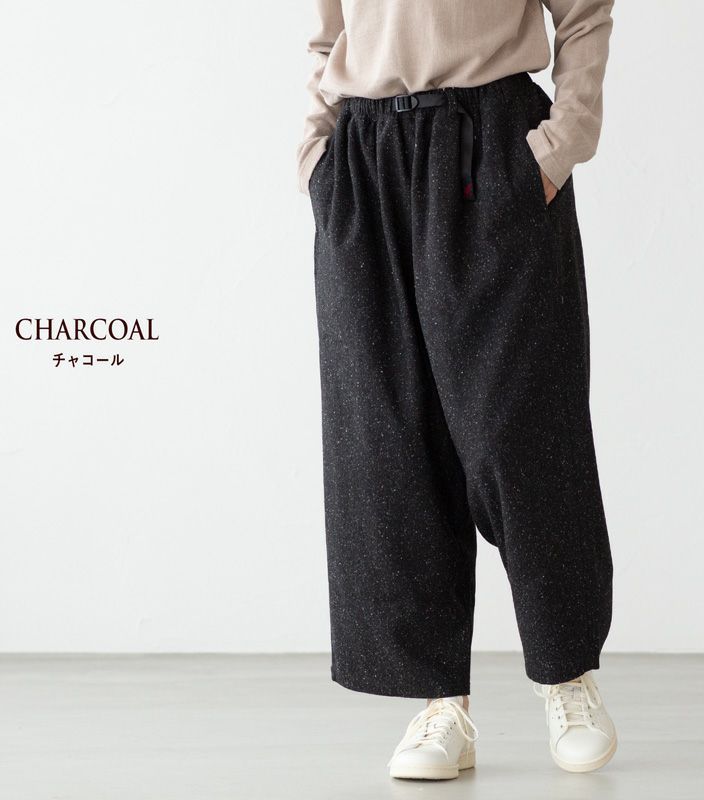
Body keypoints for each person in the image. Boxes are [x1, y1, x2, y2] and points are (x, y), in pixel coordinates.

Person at [296, 0, 618, 779]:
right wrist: (316, 152)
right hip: (364, 156)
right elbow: (328, 33)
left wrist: (560, 144)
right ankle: (440, 702)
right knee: (389, 434)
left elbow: (584, 14)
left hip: (491, 140)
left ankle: (567, 674)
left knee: (522, 427)